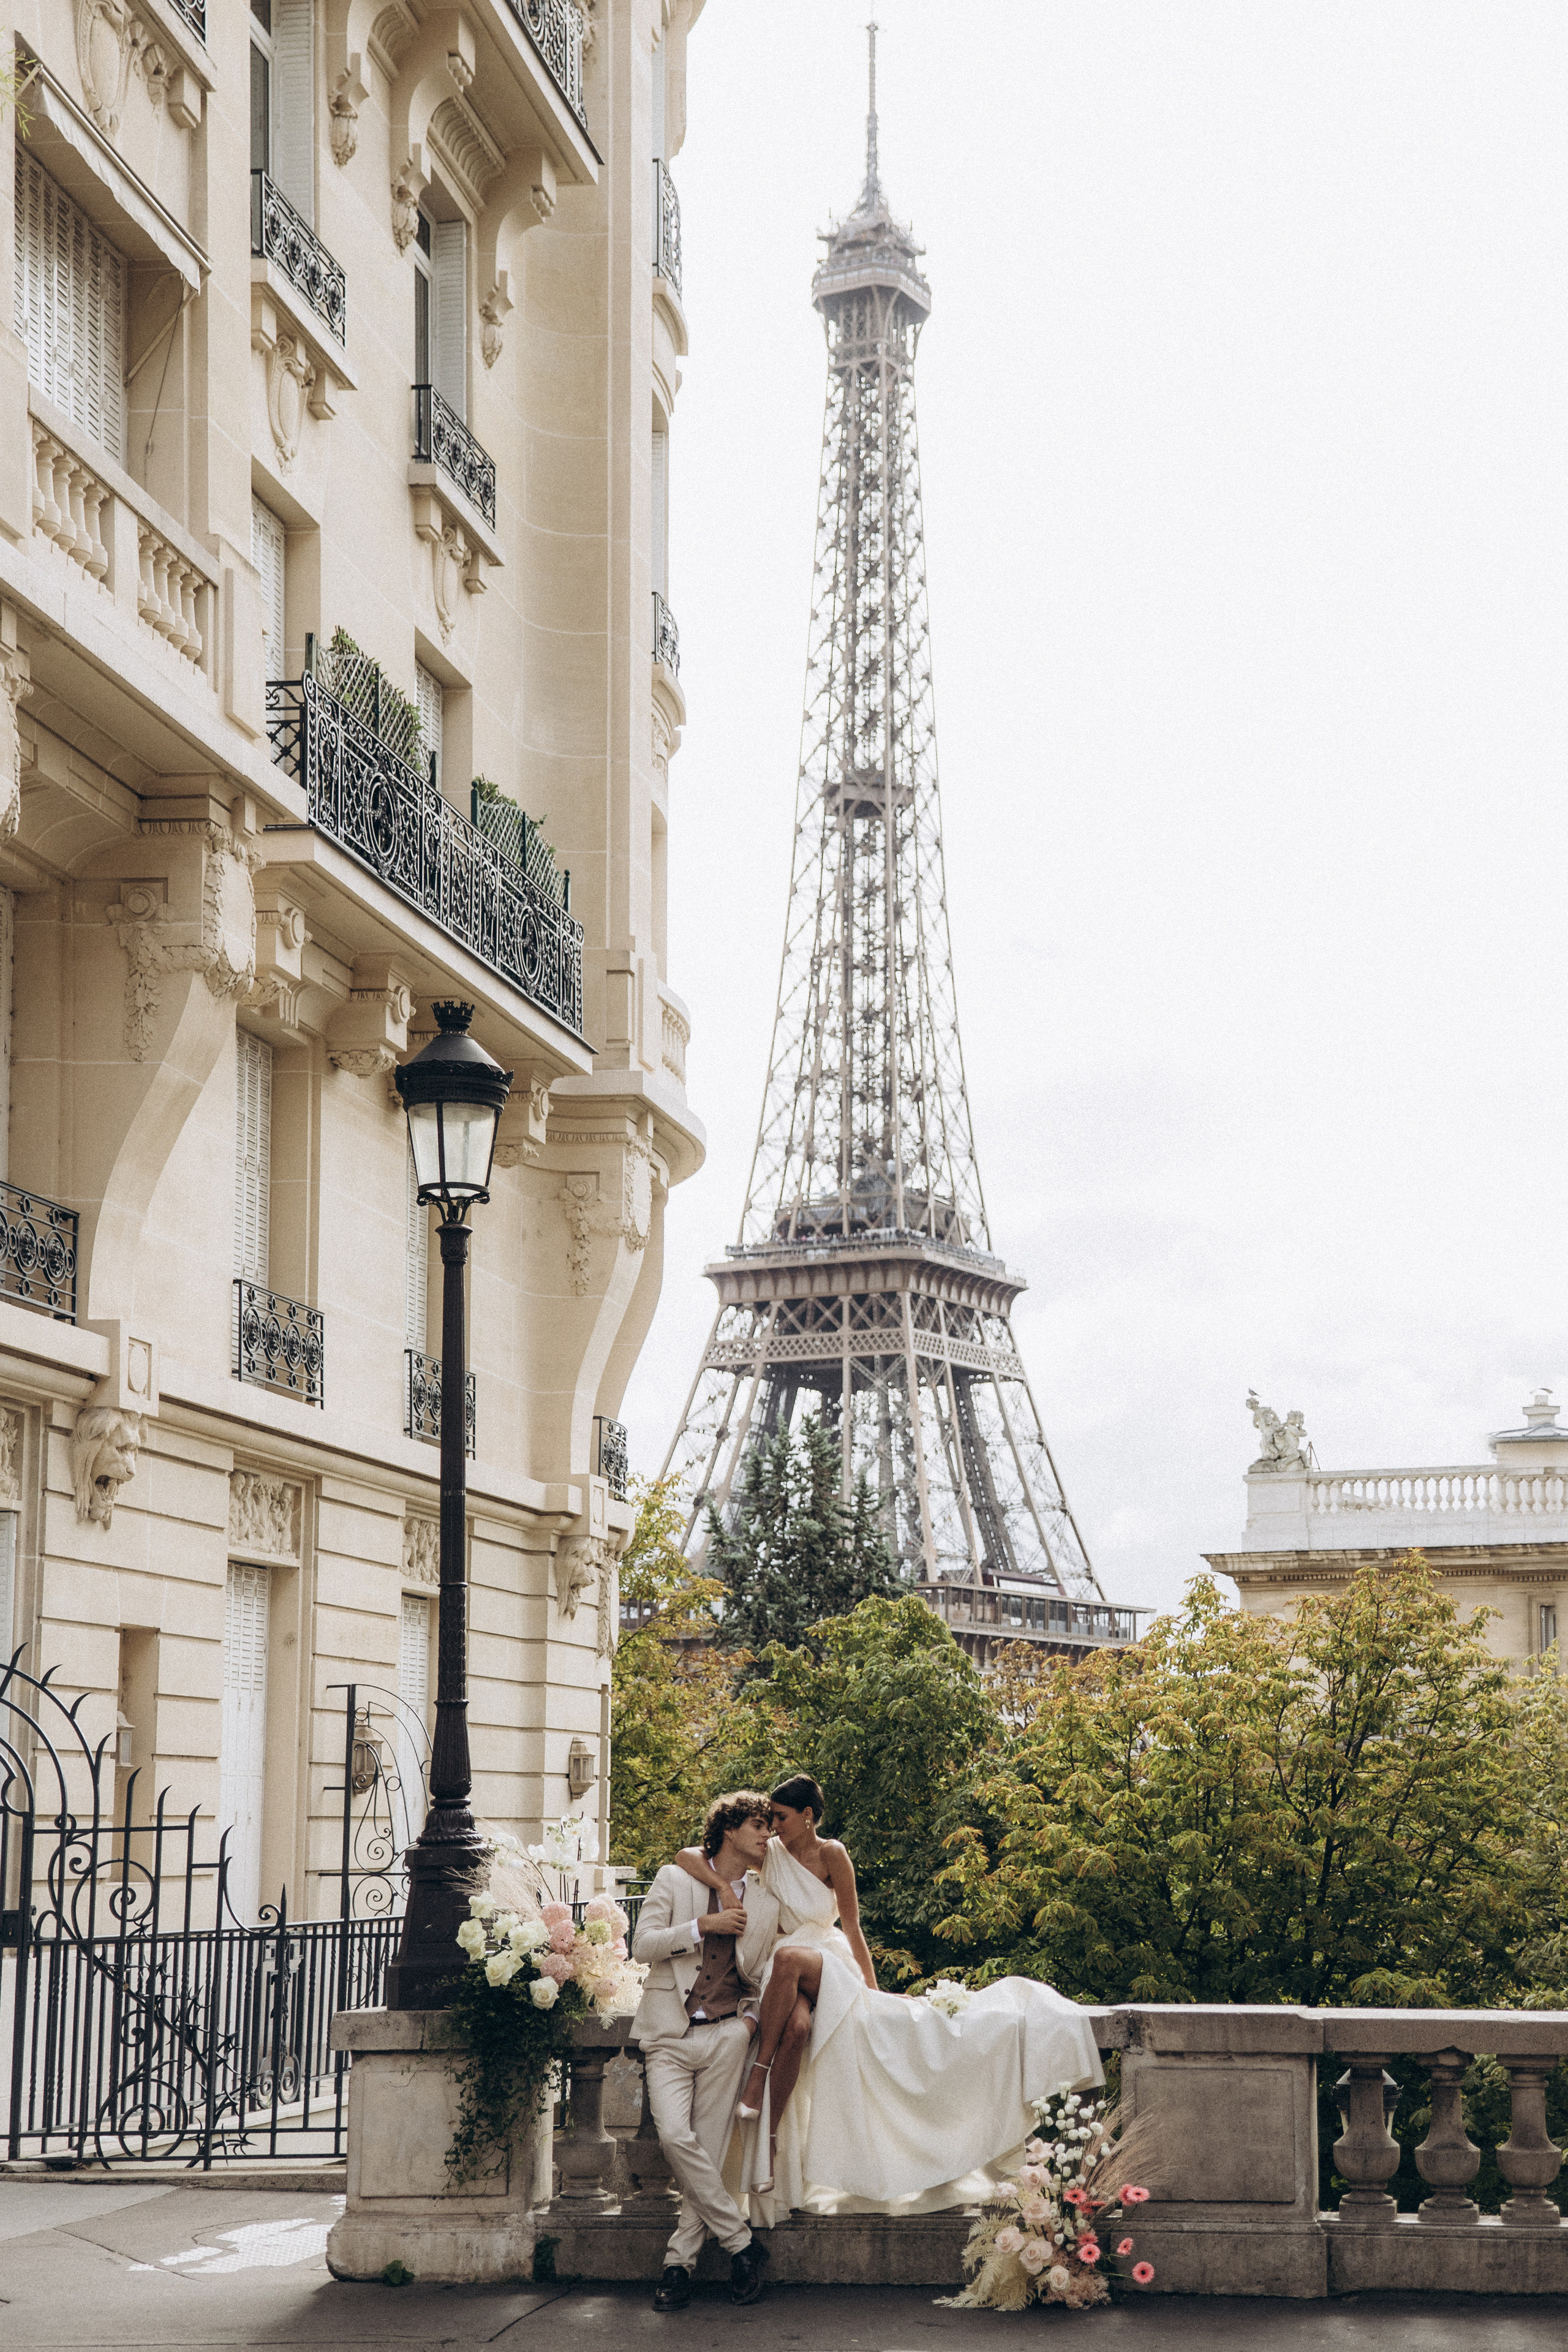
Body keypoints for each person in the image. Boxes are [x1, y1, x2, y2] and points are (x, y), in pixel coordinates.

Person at [674, 1771, 1103, 2220]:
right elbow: (686, 1856)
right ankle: (770, 2144)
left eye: (781, 1817)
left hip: (823, 1959)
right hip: (785, 1968)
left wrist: (872, 1993)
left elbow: (853, 1927)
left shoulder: (831, 1853)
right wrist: (721, 1886)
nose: (774, 1826)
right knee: (796, 2028)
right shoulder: (772, 1854)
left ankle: (756, 2080)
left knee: (789, 1962)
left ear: (807, 1815)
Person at [629, 1792, 781, 2311]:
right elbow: (642, 1946)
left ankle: (679, 2267)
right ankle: (741, 2244)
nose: (767, 1835)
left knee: (709, 2153)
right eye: (758, 1825)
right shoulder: (675, 1879)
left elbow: (766, 1975)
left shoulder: (766, 1901)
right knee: (676, 2136)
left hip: (727, 2035)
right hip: (668, 2035)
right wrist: (702, 1927)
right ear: (729, 1830)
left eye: (770, 1827)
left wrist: (750, 2023)